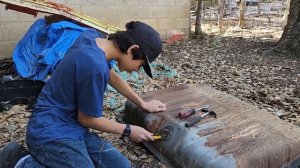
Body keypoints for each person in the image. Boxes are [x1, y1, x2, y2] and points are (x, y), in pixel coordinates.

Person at [0, 20, 167, 168]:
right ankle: (20, 160)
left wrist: (142, 103)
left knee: (121, 165)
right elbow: (87, 119)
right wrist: (129, 130)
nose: (135, 71)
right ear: (132, 49)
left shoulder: (92, 38)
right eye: (140, 65)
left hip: (73, 127)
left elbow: (110, 74)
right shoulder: (93, 66)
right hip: (50, 133)